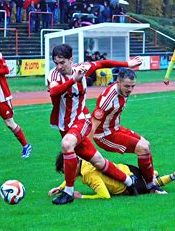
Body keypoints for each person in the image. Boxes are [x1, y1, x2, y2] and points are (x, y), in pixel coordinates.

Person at [47, 43, 142, 205]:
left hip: (81, 119)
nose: (59, 66)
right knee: (98, 161)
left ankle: (68, 192)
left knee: (67, 144)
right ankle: (128, 181)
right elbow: (54, 91)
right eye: (56, 63)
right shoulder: (54, 75)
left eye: (62, 62)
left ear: (71, 60)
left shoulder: (82, 68)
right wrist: (73, 80)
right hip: (64, 125)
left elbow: (102, 64)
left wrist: (127, 64)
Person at [90, 68, 164, 193]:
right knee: (143, 148)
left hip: (115, 128)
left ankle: (149, 178)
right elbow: (93, 125)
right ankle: (151, 186)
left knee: (146, 144)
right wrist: (88, 151)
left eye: (132, 86)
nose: (130, 90)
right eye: (127, 86)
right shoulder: (107, 100)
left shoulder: (123, 91)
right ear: (117, 82)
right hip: (104, 135)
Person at [49, 153, 175, 199]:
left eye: (65, 170)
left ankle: (174, 176)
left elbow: (105, 196)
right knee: (149, 181)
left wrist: (82, 196)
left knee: (151, 187)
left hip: (128, 184)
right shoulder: (84, 159)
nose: (66, 173)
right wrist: (61, 187)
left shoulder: (88, 175)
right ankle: (154, 173)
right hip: (128, 169)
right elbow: (72, 175)